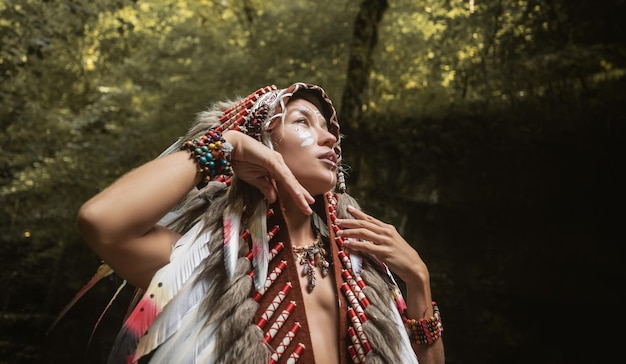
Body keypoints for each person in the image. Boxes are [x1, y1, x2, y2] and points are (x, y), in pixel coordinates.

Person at [76, 82, 444, 364]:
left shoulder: (364, 261)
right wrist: (229, 144)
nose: (331, 136)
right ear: (263, 140)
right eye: (303, 121)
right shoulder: (207, 264)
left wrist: (418, 280)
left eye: (330, 129)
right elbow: (102, 221)